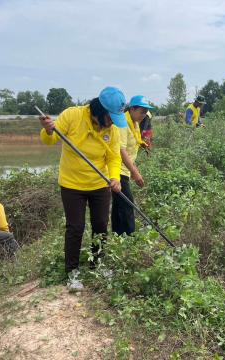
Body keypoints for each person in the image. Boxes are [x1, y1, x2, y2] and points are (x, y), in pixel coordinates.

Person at [39, 86, 125, 292]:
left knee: (101, 226)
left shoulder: (111, 131)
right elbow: (50, 139)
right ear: (99, 111)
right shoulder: (73, 115)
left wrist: (114, 178)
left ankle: (97, 265)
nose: (112, 122)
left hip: (99, 185)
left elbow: (114, 157)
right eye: (110, 117)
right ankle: (72, 272)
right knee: (76, 227)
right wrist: (49, 129)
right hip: (72, 184)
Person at [112, 95, 154, 236]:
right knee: (128, 205)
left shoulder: (134, 122)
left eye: (146, 112)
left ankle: (118, 236)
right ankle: (131, 239)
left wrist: (142, 144)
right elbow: (121, 150)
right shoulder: (123, 123)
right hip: (118, 170)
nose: (144, 115)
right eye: (142, 111)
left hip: (124, 171)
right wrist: (135, 172)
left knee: (119, 206)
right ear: (132, 109)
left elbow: (134, 139)